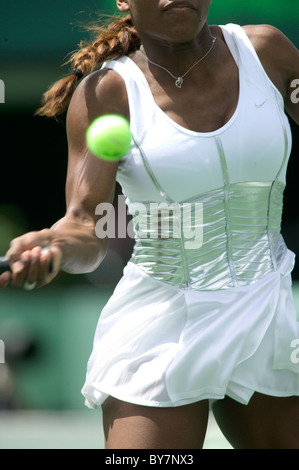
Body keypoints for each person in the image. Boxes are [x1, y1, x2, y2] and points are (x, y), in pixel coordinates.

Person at [1, 0, 299, 449]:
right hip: (165, 323)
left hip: (267, 310)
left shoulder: (267, 51)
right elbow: (86, 224)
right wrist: (55, 247)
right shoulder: (106, 94)